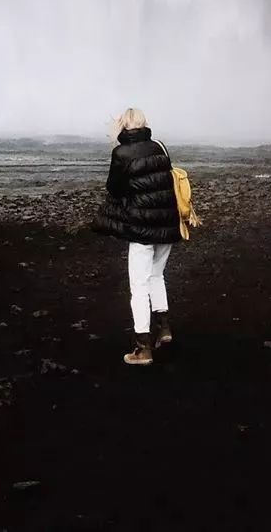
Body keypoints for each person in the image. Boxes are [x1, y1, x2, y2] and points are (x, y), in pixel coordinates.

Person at [93, 107, 180, 365]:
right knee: (156, 275)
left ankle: (143, 348)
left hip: (142, 227)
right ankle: (163, 329)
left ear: (123, 126)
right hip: (167, 222)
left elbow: (114, 187)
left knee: (139, 286)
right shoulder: (160, 146)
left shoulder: (120, 153)